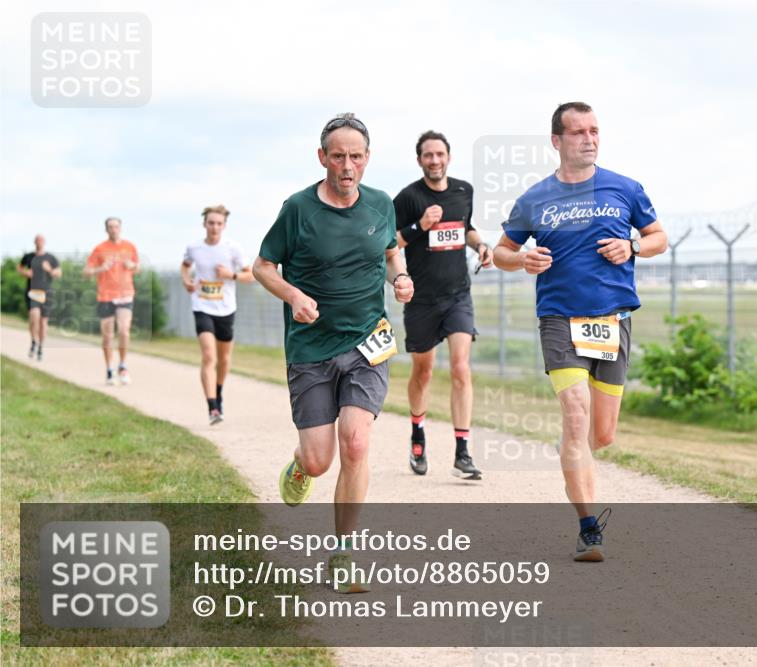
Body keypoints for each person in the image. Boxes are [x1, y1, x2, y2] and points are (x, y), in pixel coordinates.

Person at [493, 102, 668, 562]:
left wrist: (631, 245)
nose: (589, 139)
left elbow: (658, 238)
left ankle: (573, 453)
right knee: (576, 414)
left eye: (594, 131)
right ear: (557, 141)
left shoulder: (625, 188)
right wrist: (522, 259)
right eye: (578, 133)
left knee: (601, 434)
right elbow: (500, 252)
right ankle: (589, 528)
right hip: (559, 319)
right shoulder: (535, 198)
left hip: (613, 321)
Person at [253, 113, 413, 592]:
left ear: (367, 159)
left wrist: (400, 276)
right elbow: (262, 267)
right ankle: (302, 465)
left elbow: (390, 251)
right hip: (310, 348)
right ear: (322, 158)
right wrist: (294, 296)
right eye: (338, 156)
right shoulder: (298, 209)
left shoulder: (382, 205)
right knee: (321, 459)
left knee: (357, 441)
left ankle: (343, 553)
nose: (348, 165)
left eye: (356, 156)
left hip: (368, 341)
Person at [394, 130, 493, 480]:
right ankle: (417, 433)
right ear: (419, 159)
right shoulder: (408, 197)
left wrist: (480, 245)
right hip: (421, 299)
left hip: (457, 295)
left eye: (440, 154)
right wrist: (420, 225)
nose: (434, 161)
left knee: (461, 369)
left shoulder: (463, 191)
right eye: (428, 155)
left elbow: (465, 227)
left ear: (448, 157)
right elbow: (391, 243)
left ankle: (462, 452)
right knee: (423, 372)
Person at [181, 204, 254, 425]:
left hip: (226, 308)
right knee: (209, 356)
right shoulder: (194, 247)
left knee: (223, 359)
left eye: (219, 224)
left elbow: (250, 275)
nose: (214, 227)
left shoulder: (233, 248)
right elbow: (185, 266)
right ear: (205, 224)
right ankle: (213, 407)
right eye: (211, 223)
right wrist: (186, 281)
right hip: (202, 306)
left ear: (224, 226)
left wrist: (230, 274)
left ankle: (218, 391)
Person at [84, 217, 140, 385]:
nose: (113, 229)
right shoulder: (99, 249)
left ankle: (122, 366)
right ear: (106, 229)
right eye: (110, 227)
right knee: (107, 336)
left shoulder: (130, 246)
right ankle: (109, 369)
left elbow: (138, 268)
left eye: (116, 226)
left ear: (120, 228)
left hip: (125, 294)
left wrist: (132, 266)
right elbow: (86, 272)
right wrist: (102, 268)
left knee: (124, 330)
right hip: (105, 296)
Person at [18, 234, 62, 361]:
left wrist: (49, 270)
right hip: (32, 291)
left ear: (45, 242)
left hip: (47, 292)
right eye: (37, 240)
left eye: (42, 240)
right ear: (34, 242)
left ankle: (41, 346)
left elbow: (58, 273)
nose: (39, 242)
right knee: (34, 316)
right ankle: (33, 341)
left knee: (43, 322)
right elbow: (19, 268)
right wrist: (25, 273)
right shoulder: (28, 257)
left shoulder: (50, 258)